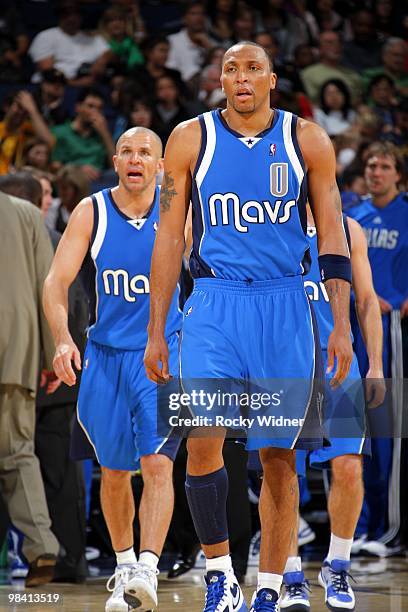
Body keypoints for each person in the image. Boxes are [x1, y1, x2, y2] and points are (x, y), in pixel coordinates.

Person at [144, 41, 353, 612]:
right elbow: (168, 238)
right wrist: (157, 328)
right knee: (202, 441)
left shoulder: (307, 140)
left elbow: (333, 237)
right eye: (230, 68)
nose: (240, 77)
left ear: (272, 80)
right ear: (220, 79)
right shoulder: (190, 138)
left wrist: (341, 324)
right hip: (214, 304)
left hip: (287, 304)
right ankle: (220, 575)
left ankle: (267, 588)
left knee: (278, 458)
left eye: (252, 68)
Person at [43, 127, 182, 612]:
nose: (135, 159)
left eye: (146, 152)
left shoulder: (180, 213)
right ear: (116, 160)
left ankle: (147, 566)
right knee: (115, 471)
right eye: (127, 151)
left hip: (160, 355)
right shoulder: (92, 210)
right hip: (104, 357)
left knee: (158, 463)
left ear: (161, 163)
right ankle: (124, 566)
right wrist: (62, 338)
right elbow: (55, 283)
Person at [280, 205, 385, 611]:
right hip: (283, 367)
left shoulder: (348, 228)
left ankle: (337, 564)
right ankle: (289, 573)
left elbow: (368, 301)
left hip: (340, 368)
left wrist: (375, 365)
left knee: (349, 464)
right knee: (282, 470)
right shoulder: (269, 222)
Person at [348, 141, 408, 555]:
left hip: (393, 331)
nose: (376, 171)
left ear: (398, 174)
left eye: (384, 166)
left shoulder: (406, 213)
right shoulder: (353, 215)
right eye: (371, 164)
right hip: (352, 326)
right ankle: (358, 527)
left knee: (388, 430)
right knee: (353, 431)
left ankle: (388, 529)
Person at [0, 184, 60, 587]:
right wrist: (52, 352)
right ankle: (42, 550)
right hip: (15, 349)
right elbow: (48, 285)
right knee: (18, 454)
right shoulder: (25, 213)